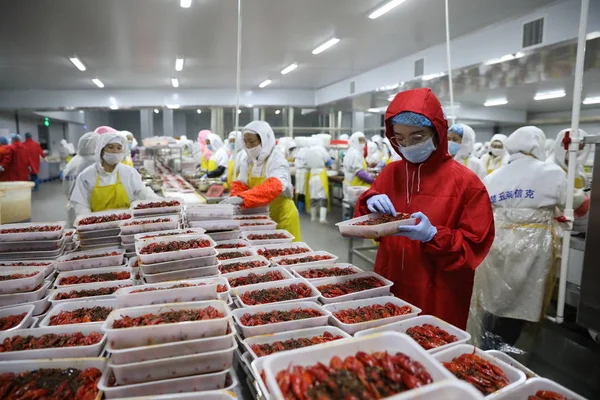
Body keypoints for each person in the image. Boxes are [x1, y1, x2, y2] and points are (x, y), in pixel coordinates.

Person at [355, 88, 495, 329]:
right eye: (399, 138)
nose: (407, 144)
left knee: (431, 351)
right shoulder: (390, 173)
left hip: (438, 289)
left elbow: (473, 246)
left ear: (437, 132)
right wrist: (368, 202)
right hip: (390, 280)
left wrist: (434, 236)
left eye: (417, 137)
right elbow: (364, 225)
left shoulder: (466, 183)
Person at [467, 126, 589, 348]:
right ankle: (504, 351)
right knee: (522, 300)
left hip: (497, 242)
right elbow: (580, 207)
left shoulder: (494, 176)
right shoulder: (551, 173)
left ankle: (488, 345)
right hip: (533, 245)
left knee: (495, 296)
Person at [224, 121, 301, 241]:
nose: (248, 146)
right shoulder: (248, 160)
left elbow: (275, 185)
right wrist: (235, 201)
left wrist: (243, 198)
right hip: (262, 217)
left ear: (264, 140)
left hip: (281, 215)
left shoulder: (277, 159)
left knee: (286, 252)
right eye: (246, 141)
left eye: (252, 142)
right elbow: (241, 183)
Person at [70, 132, 158, 215]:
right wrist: (89, 224)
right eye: (111, 147)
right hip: (98, 226)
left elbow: (142, 192)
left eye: (119, 148)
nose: (115, 151)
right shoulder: (86, 176)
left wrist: (161, 202)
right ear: (101, 150)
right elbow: (81, 205)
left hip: (126, 223)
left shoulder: (128, 172)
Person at [63, 132, 100, 226]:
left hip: (72, 205)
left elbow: (66, 184)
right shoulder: (95, 162)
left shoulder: (73, 161)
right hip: (90, 209)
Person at [305, 138, 332, 224]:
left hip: (312, 175)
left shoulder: (308, 151)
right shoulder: (321, 149)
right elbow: (329, 161)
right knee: (323, 197)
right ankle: (322, 218)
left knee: (313, 196)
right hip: (321, 175)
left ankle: (313, 217)